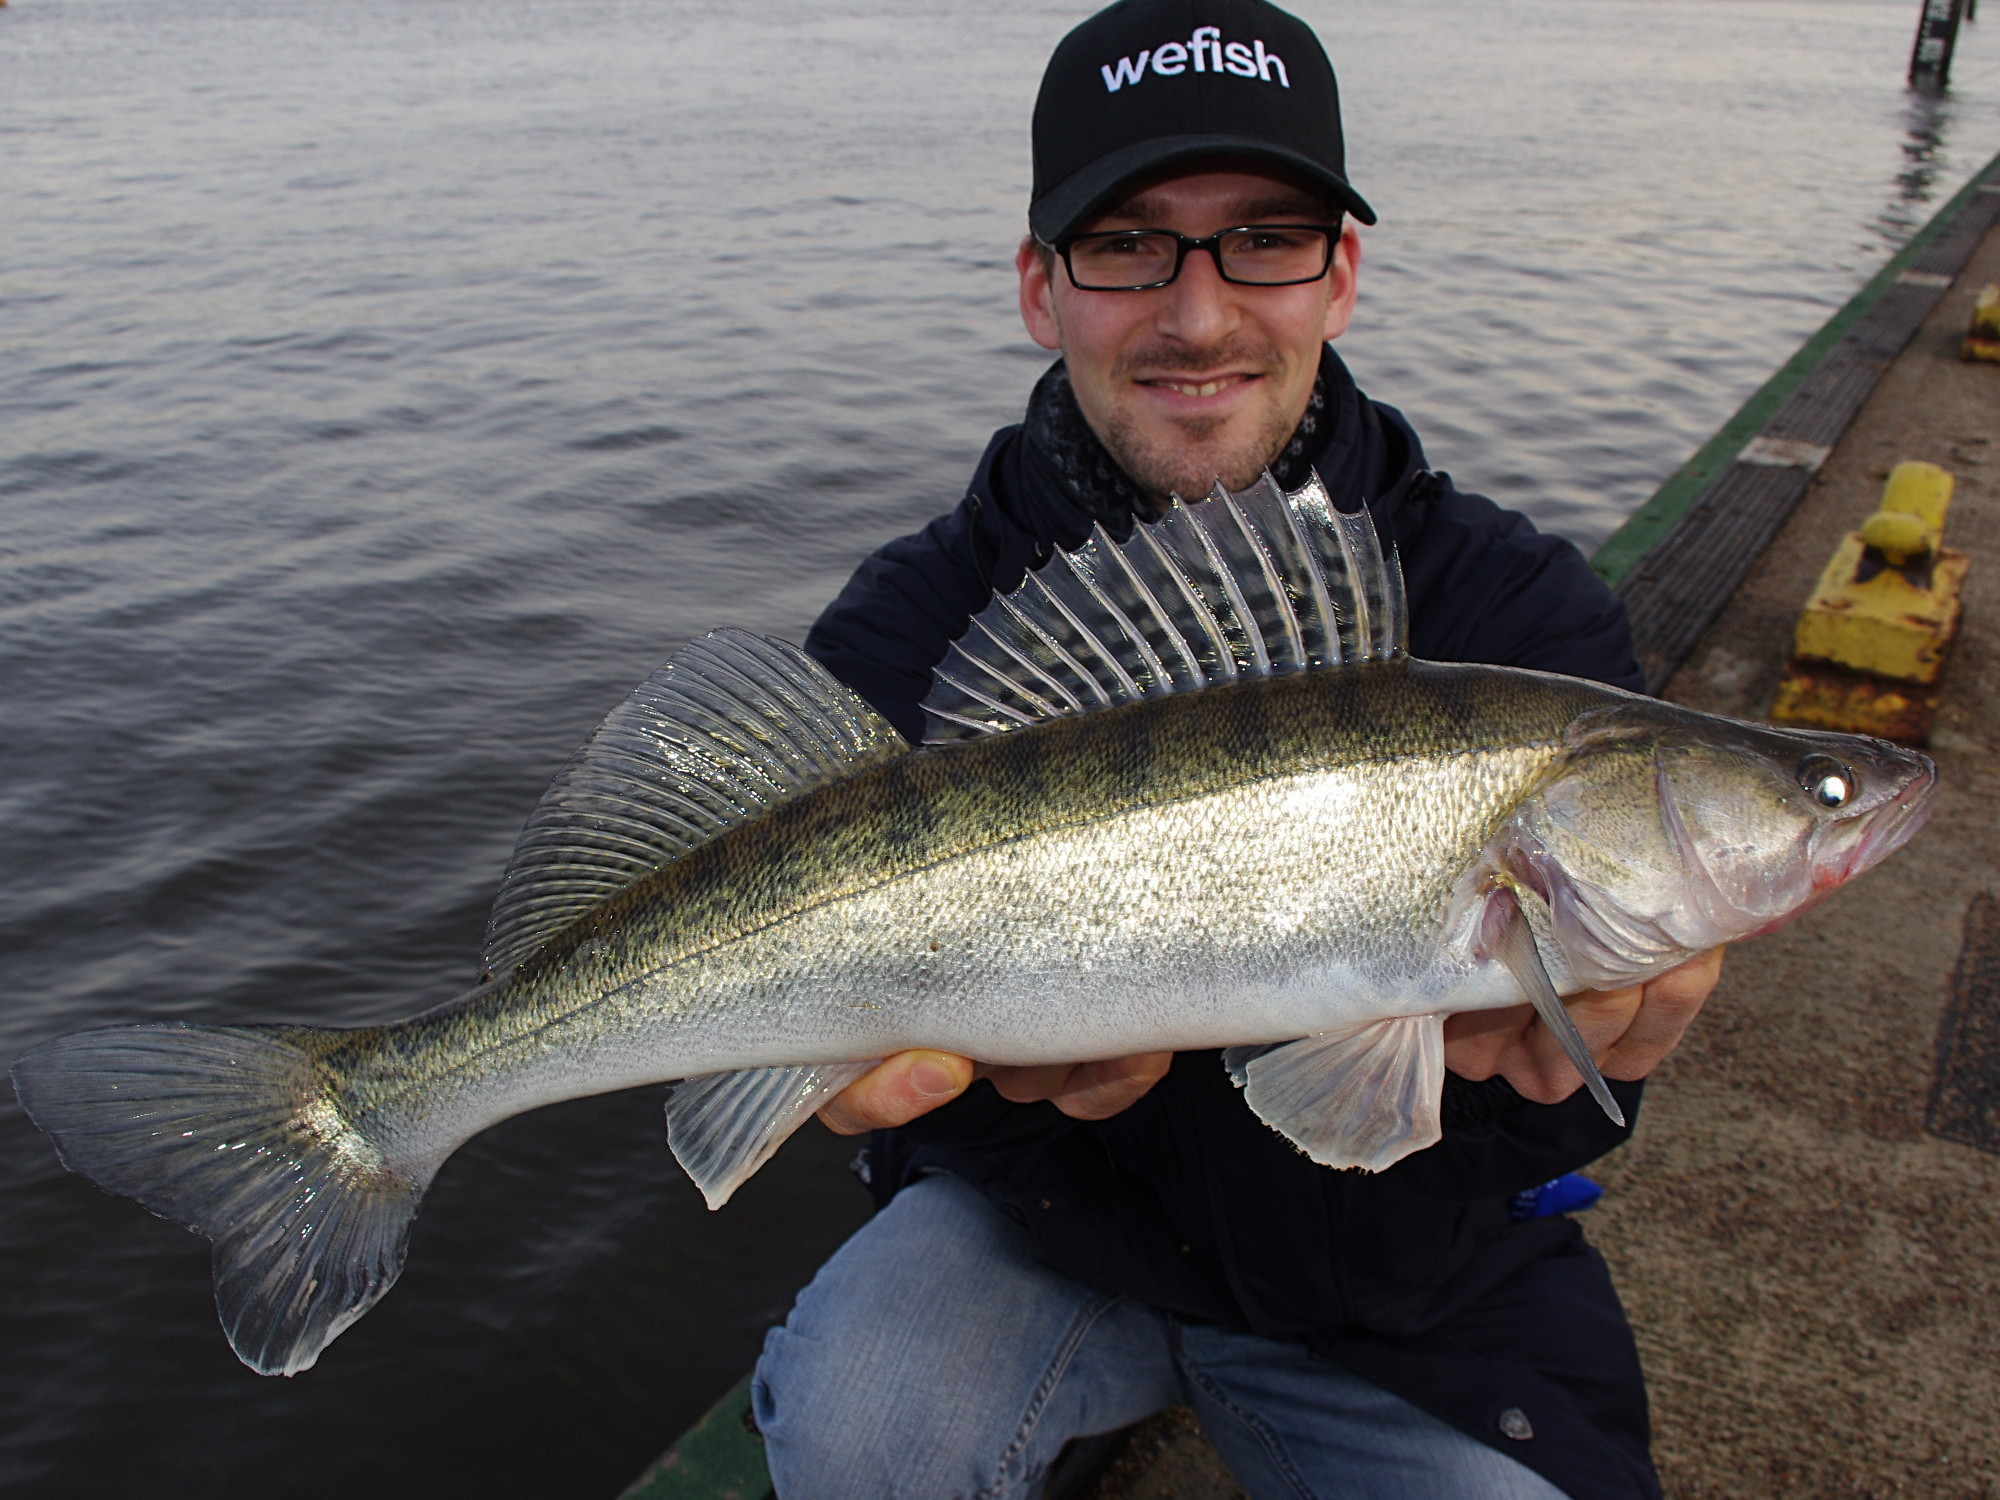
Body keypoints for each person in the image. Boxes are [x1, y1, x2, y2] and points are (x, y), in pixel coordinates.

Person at [752, 2, 1721, 1496]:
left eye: (1264, 239)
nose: (1198, 316)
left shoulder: (1513, 613)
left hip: (1405, 1287)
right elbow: (845, 1071)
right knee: (855, 1425)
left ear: (1342, 275)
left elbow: (1565, 1110)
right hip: (1045, 1237)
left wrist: (1560, 1064)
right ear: (1040, 285)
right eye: (1131, 243)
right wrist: (911, 1085)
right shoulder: (914, 626)